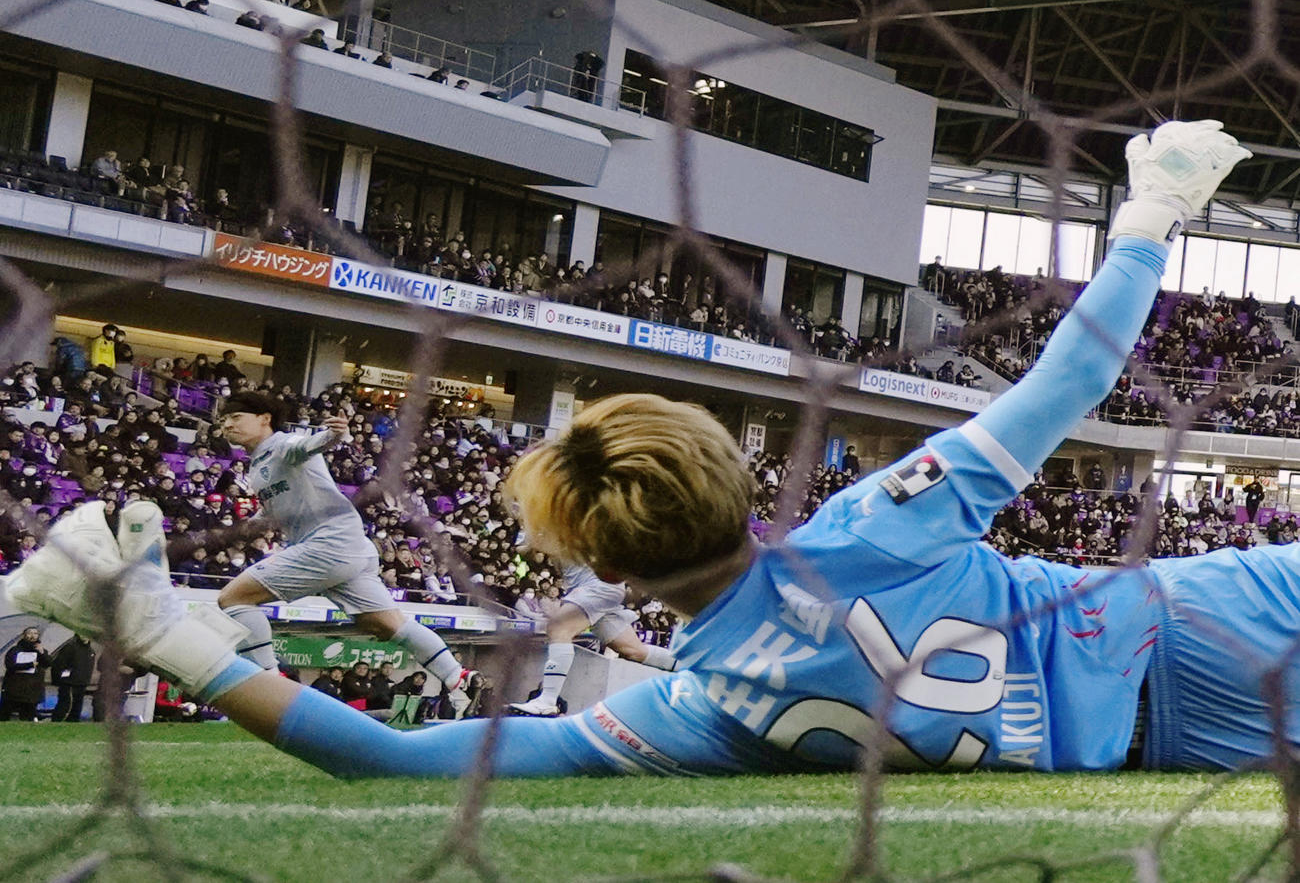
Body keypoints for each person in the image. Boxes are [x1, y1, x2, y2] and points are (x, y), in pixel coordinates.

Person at [17, 121, 1289, 781]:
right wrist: (1153, 209)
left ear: (607, 570)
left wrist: (156, 627)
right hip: (1194, 623)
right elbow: (1074, 374)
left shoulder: (703, 706)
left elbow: (388, 757)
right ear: (741, 480)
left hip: (1182, 741)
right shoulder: (869, 529)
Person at [180, 391, 468, 708]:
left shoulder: (283, 445)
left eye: (235, 417)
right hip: (349, 547)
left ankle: (268, 684)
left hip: (327, 544)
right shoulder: (257, 464)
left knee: (233, 598)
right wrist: (251, 523)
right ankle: (458, 678)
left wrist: (333, 434)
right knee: (387, 625)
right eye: (223, 420)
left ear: (264, 419)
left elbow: (309, 445)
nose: (227, 425)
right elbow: (280, 509)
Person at [510, 564, 676, 716]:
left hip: (596, 587)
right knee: (635, 651)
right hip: (599, 589)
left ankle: (546, 701)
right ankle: (690, 665)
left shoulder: (561, 533)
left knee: (559, 628)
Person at [0, 627, 47, 721]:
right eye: (30, 633)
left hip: (33, 690)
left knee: (28, 716)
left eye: (35, 633)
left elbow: (48, 663)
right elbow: (10, 665)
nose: (32, 636)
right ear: (24, 635)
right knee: (5, 714)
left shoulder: (41, 651)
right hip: (14, 688)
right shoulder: (15, 650)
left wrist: (42, 653)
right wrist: (29, 665)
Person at [49, 633, 94, 723]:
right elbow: (58, 665)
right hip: (69, 683)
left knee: (77, 706)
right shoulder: (69, 647)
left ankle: (73, 722)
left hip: (82, 683)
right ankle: (57, 722)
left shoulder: (90, 650)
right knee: (66, 705)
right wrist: (61, 679)